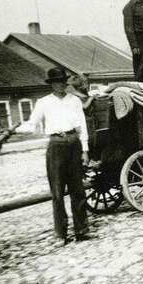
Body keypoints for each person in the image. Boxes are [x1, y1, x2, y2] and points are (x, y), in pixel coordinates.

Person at [16, 68, 90, 245]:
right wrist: (15, 130)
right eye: (56, 82)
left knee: (77, 190)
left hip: (74, 143)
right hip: (55, 145)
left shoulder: (75, 101)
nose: (60, 85)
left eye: (62, 82)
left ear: (65, 83)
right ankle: (61, 234)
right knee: (57, 192)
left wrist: (85, 150)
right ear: (51, 84)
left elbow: (82, 125)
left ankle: (81, 230)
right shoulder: (43, 103)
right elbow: (33, 124)